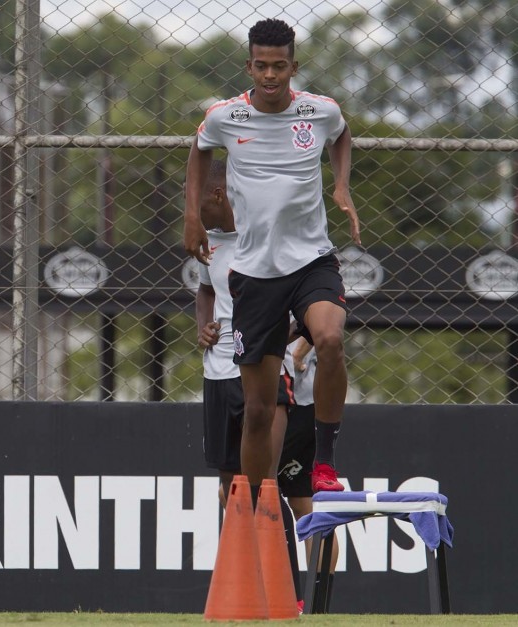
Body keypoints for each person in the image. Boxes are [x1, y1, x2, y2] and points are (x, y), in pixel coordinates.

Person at [184, 18, 361, 494]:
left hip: (311, 261)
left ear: (293, 67)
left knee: (328, 338)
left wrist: (341, 184)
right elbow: (198, 151)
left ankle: (324, 462)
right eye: (261, 66)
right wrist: (191, 217)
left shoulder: (318, 112)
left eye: (279, 66)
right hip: (256, 272)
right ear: (249, 65)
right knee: (259, 411)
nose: (269, 75)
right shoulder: (226, 116)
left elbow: (341, 135)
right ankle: (254, 516)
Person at [196, 158, 302, 611]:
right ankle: (244, 593)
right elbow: (205, 291)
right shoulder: (211, 245)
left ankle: (288, 598)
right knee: (232, 490)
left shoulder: (270, 238)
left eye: (193, 201)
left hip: (265, 373)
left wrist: (275, 340)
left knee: (265, 485)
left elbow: (309, 314)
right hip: (218, 375)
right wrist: (202, 324)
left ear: (217, 196)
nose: (189, 211)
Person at [279, 337, 340, 606]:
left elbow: (322, 314)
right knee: (303, 505)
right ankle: (310, 605)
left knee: (240, 490)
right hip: (269, 392)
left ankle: (300, 602)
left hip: (294, 398)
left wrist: (297, 353)